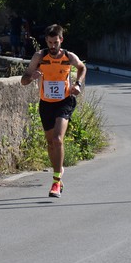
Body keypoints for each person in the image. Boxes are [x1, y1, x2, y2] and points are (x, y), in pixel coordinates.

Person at [21, 24, 86, 198]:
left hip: (64, 102)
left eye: (55, 42)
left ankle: (56, 181)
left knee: (58, 139)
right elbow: (23, 80)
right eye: (49, 42)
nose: (52, 46)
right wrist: (31, 76)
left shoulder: (68, 57)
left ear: (61, 40)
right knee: (50, 143)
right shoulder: (39, 57)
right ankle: (58, 171)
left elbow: (82, 67)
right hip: (46, 104)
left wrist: (78, 84)